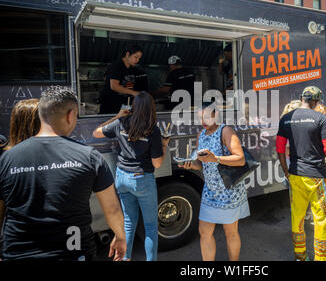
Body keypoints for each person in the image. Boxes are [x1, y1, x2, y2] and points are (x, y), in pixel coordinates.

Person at [0, 86, 126, 260]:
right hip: (73, 253)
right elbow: (112, 209)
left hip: (17, 254)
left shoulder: (7, 158)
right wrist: (120, 237)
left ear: (41, 114)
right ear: (70, 115)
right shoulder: (90, 157)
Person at [93, 91, 169, 261]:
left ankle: (125, 258)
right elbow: (157, 164)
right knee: (150, 226)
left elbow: (96, 133)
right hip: (141, 179)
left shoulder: (121, 122)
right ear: (151, 109)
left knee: (128, 222)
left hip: (121, 177)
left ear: (133, 108)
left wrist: (117, 116)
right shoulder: (152, 131)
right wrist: (164, 146)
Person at [179, 102, 249, 261]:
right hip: (210, 190)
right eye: (199, 118)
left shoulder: (226, 131)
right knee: (204, 232)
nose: (202, 122)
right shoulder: (201, 135)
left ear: (215, 115)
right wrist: (190, 165)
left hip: (228, 191)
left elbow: (240, 159)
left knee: (230, 232)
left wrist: (215, 158)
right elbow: (200, 164)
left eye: (205, 117)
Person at [276, 86, 326, 261]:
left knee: (297, 217)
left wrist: (286, 171)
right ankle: (321, 258)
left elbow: (279, 148)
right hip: (318, 175)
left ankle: (300, 257)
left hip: (295, 174)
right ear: (316, 101)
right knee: (321, 219)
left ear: (302, 98)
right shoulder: (321, 119)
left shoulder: (286, 119)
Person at [99, 44, 148, 114]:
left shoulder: (131, 69)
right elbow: (114, 86)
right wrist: (133, 93)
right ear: (127, 54)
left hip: (124, 107)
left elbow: (129, 86)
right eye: (136, 57)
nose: (137, 60)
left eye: (139, 58)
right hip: (111, 107)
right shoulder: (116, 66)